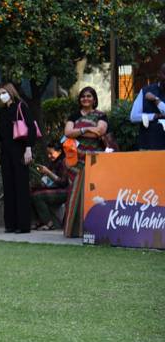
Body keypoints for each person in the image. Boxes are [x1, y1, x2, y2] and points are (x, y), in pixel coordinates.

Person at [0, 83, 37, 234]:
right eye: (0, 93)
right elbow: (4, 135)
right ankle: (11, 224)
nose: (2, 95)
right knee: (8, 187)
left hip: (20, 152)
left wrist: (28, 148)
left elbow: (31, 128)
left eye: (4, 92)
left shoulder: (21, 106)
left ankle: (23, 225)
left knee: (21, 187)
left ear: (10, 92)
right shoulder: (2, 112)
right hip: (6, 153)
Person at [62, 86, 108, 238]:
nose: (85, 99)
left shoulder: (101, 115)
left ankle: (91, 230)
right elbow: (68, 133)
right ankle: (73, 231)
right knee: (75, 193)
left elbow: (100, 132)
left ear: (94, 99)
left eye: (89, 96)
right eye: (83, 96)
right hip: (76, 161)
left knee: (93, 192)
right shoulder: (74, 115)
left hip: (94, 161)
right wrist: (87, 129)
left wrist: (79, 131)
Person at [31, 141, 69, 230]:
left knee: (38, 196)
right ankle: (38, 221)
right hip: (53, 189)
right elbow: (47, 181)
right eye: (48, 154)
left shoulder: (64, 162)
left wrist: (48, 172)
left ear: (59, 151)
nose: (49, 156)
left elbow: (63, 183)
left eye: (51, 153)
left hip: (64, 191)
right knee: (31, 191)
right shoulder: (52, 162)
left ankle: (49, 223)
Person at [129, 62, 165, 150]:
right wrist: (154, 116)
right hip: (148, 143)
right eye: (164, 74)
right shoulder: (146, 90)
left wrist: (156, 100)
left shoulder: (151, 95)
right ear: (159, 74)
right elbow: (133, 116)